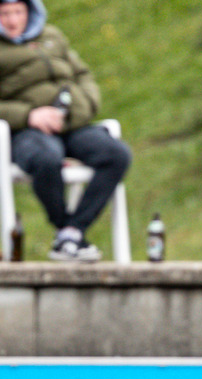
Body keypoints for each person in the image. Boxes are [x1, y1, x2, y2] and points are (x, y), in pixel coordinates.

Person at [0, 0, 131, 262]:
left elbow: (83, 74)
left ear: (29, 11)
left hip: (72, 125)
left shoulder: (52, 36)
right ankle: (66, 231)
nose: (12, 20)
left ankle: (72, 232)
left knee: (117, 155)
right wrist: (29, 115)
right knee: (47, 159)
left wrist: (85, 104)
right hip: (26, 132)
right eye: (4, 13)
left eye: (18, 12)